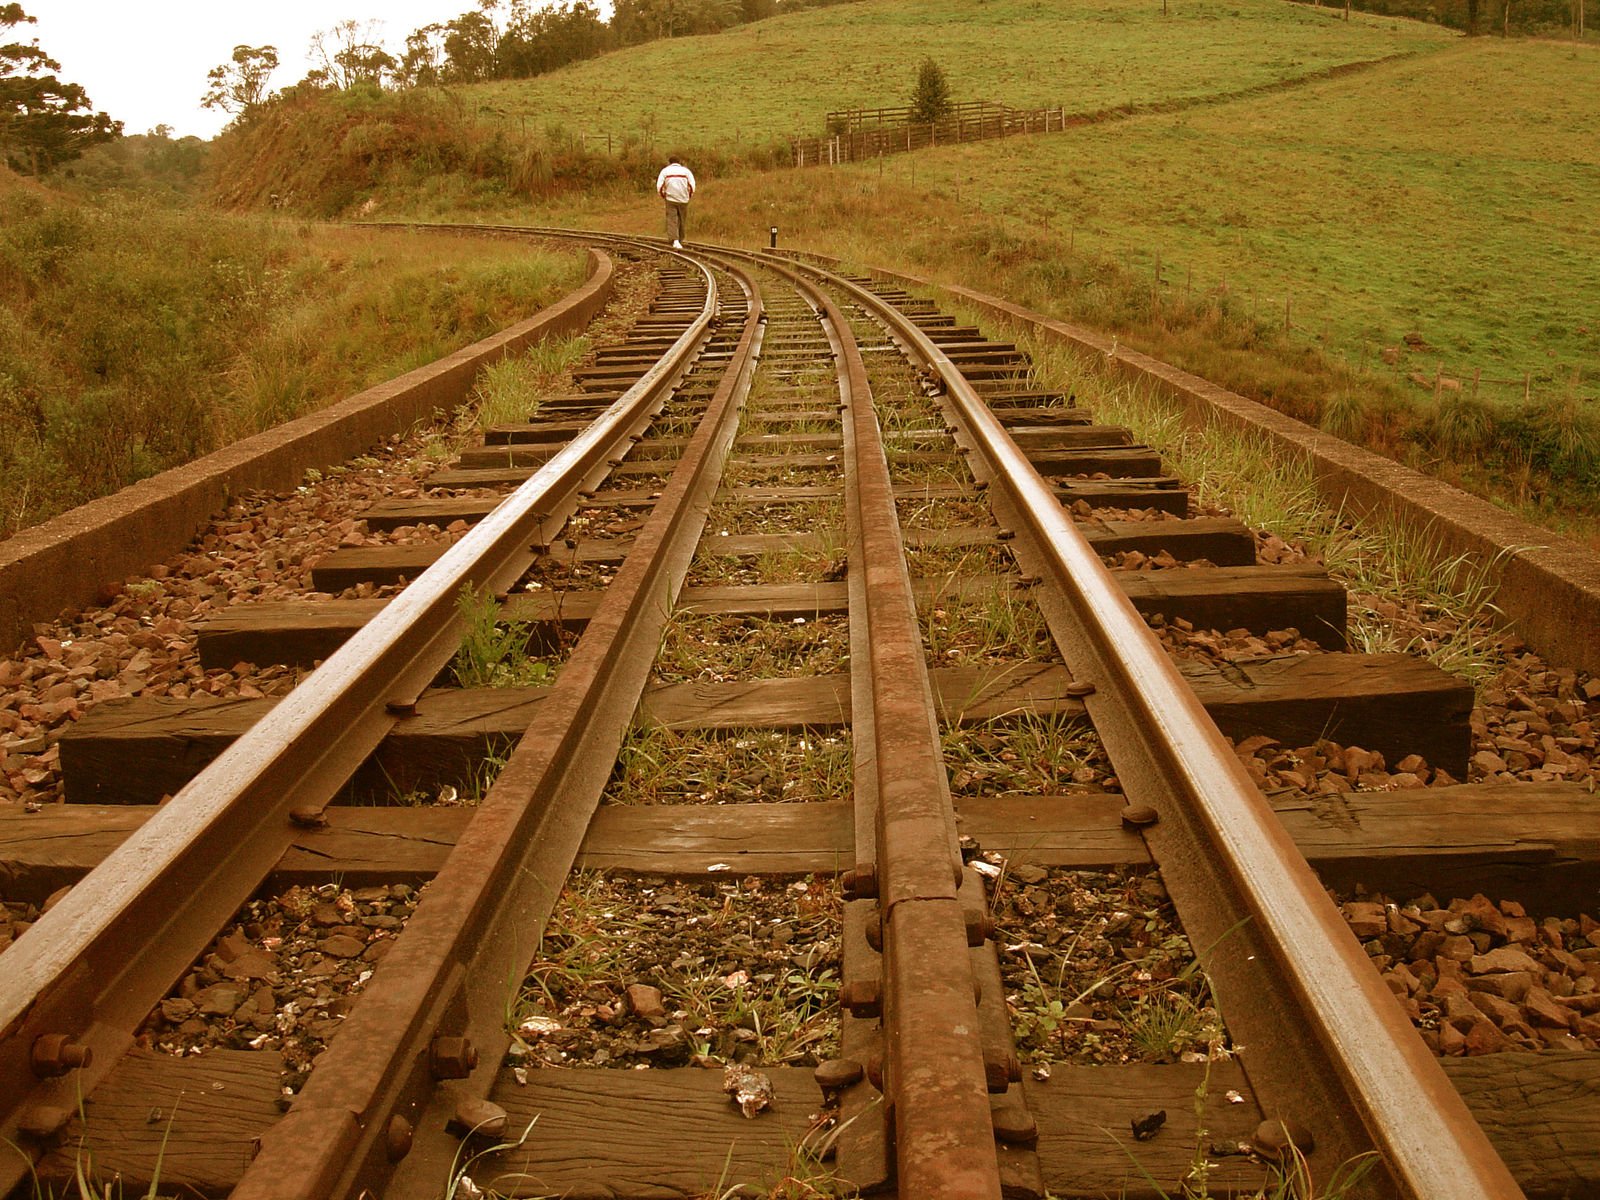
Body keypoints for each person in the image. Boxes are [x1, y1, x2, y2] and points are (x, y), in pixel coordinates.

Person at [656, 155, 696, 249]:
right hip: (683, 198)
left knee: (672, 219)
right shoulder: (686, 171)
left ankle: (675, 240)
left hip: (670, 198)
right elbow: (692, 186)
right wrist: (688, 196)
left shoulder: (665, 171)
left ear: (669, 162)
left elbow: (659, 186)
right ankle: (680, 239)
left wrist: (664, 196)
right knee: (682, 219)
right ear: (679, 162)